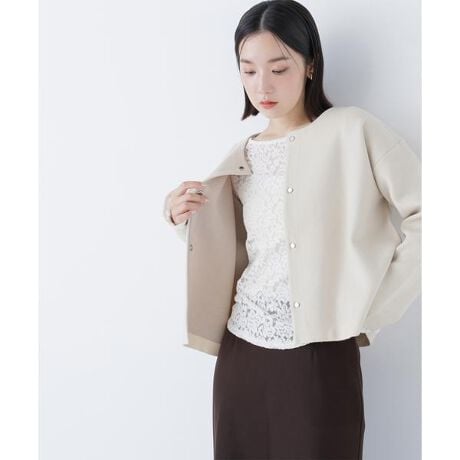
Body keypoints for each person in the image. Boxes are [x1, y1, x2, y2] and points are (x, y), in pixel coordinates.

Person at [163, 1, 421, 459]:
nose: (262, 85)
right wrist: (182, 218)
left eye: (278, 68)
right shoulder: (242, 155)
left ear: (310, 65)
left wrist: (371, 309)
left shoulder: (353, 131)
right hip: (241, 355)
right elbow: (244, 249)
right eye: (248, 70)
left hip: (320, 354)